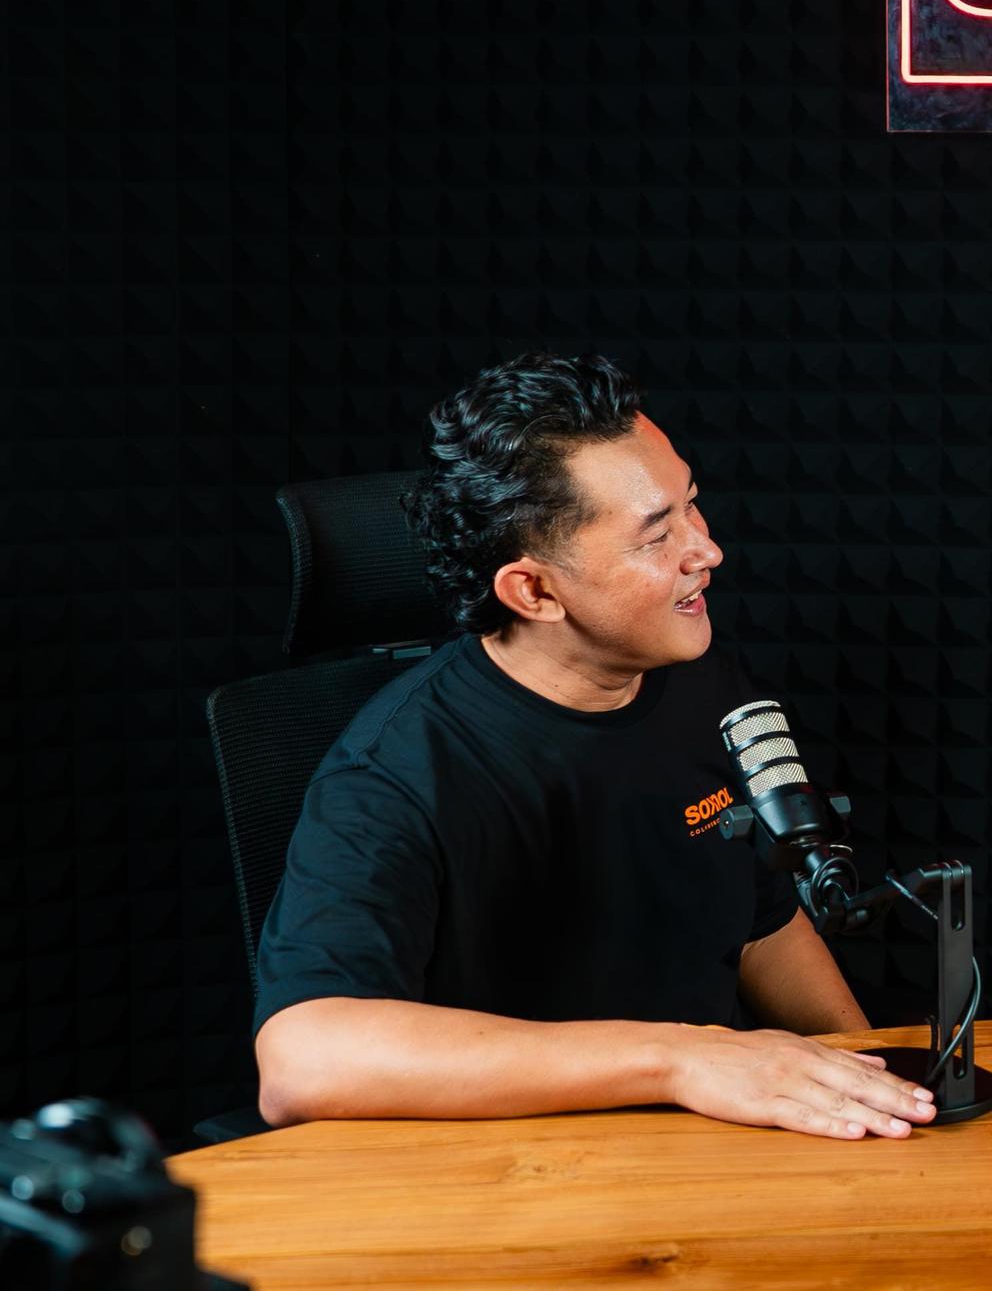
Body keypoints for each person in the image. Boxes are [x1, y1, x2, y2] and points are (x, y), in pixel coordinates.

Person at [252, 352, 937, 1139]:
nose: (705, 550)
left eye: (692, 505)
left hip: (703, 1151)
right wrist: (678, 1060)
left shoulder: (703, 682)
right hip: (518, 1175)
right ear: (535, 591)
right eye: (657, 535)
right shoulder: (394, 775)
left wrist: (863, 1073)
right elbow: (301, 1061)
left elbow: (763, 918)